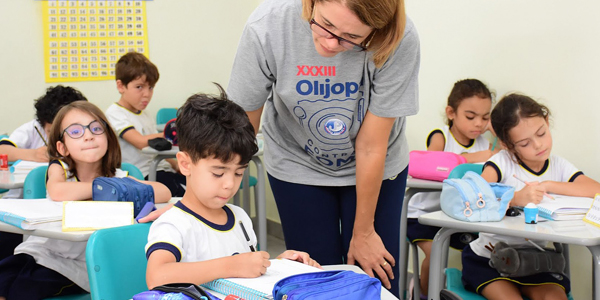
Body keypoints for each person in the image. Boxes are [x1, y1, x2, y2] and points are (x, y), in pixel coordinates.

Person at [226, 0, 419, 295]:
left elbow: (370, 146)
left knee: (376, 277)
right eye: (325, 25)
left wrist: (364, 232)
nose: (330, 43)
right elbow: (242, 128)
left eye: (351, 38)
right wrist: (197, 203)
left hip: (376, 164)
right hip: (296, 161)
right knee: (312, 279)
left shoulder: (398, 38)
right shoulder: (268, 26)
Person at [145, 84, 320, 288]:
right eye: (218, 173)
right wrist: (230, 265)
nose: (229, 184)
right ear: (185, 164)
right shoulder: (173, 224)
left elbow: (246, 274)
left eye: (238, 172)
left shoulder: (240, 218)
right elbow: (156, 276)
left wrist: (279, 265)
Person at [0, 101, 170, 300]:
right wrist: (105, 189)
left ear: (108, 137)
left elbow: (164, 192)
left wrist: (122, 187)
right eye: (75, 132)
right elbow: (57, 191)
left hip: (82, 263)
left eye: (96, 129)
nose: (88, 136)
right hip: (43, 252)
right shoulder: (60, 169)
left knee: (21, 288)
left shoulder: (119, 176)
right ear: (62, 147)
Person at [462, 94, 600, 300]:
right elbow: (473, 197)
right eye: (525, 143)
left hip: (534, 261)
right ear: (508, 145)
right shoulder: (502, 163)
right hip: (489, 259)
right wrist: (516, 198)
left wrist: (549, 185)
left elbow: (595, 189)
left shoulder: (558, 166)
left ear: (547, 121)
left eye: (542, 133)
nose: (538, 145)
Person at [406, 78, 496, 299]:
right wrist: (476, 158)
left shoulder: (486, 144)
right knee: (436, 253)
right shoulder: (441, 136)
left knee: (484, 253)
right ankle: (424, 294)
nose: (479, 124)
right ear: (451, 112)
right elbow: (436, 164)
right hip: (423, 215)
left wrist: (496, 135)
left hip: (458, 216)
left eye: (485, 118)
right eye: (470, 116)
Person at [0, 85, 87, 263]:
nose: (57, 137)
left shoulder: (84, 141)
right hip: (21, 208)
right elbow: (3, 149)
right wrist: (31, 154)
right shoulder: (30, 129)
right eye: (51, 132)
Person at [105, 51, 186, 197]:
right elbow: (140, 142)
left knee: (195, 182)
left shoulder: (145, 114)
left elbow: (159, 146)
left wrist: (175, 165)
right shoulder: (115, 113)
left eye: (151, 87)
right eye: (139, 87)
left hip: (161, 169)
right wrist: (172, 132)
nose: (147, 94)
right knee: (184, 196)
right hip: (142, 175)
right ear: (121, 86)